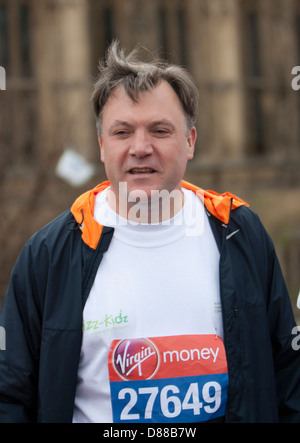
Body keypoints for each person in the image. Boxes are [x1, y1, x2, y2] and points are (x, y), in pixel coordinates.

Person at [0, 41, 299, 424]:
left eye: (160, 130)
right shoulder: (50, 253)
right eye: (123, 132)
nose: (141, 148)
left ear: (190, 142)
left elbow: (288, 376)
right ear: (102, 145)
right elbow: (11, 393)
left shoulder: (239, 233)